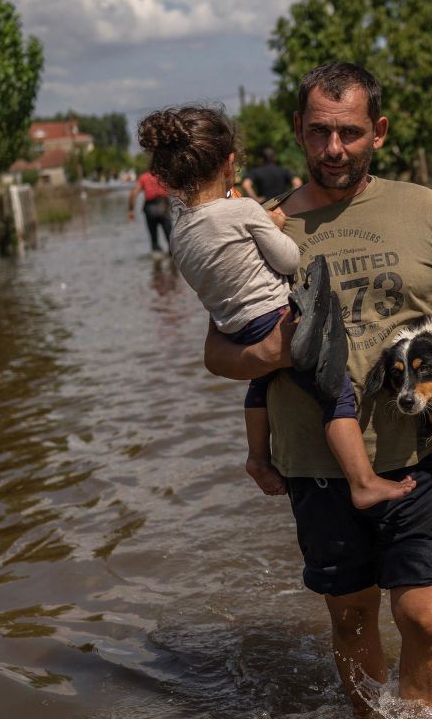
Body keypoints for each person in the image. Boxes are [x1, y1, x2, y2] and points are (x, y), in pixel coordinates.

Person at [202, 62, 432, 712]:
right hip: (316, 464)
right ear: (297, 131)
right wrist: (269, 350)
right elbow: (216, 353)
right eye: (318, 133)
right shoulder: (263, 228)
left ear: (380, 132)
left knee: (425, 618)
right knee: (349, 621)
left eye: (349, 133)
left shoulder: (423, 208)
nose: (333, 149)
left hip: (421, 450)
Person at [137, 105, 415, 511]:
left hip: (234, 325)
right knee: (336, 393)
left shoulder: (179, 233)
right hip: (276, 315)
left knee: (261, 382)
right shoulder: (245, 210)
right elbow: (287, 260)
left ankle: (257, 458)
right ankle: (363, 480)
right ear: (230, 163)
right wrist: (274, 225)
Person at [127, 169, 172, 253]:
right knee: (170, 238)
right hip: (163, 207)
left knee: (154, 239)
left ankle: (157, 259)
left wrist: (131, 210)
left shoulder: (144, 177)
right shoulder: (164, 175)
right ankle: (173, 261)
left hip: (150, 209)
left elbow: (134, 193)